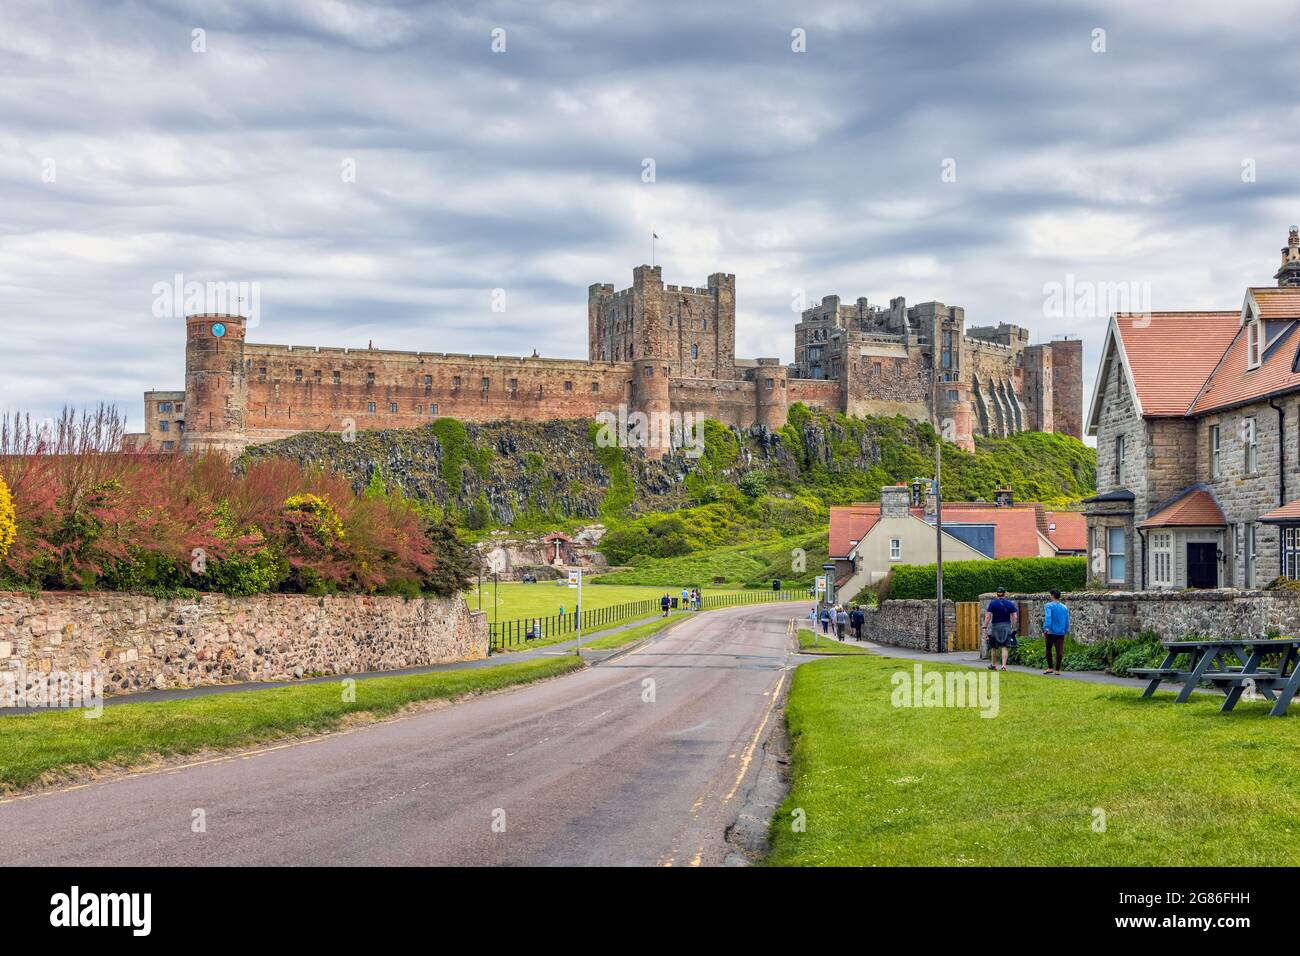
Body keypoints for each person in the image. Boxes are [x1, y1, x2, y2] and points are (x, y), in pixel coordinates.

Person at [983, 587, 1019, 670]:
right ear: (1005, 594)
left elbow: (988, 616)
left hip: (995, 626)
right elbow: (1015, 617)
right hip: (1006, 626)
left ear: (997, 594)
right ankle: (1003, 665)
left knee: (994, 646)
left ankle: (994, 665)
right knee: (1005, 646)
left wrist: (985, 626)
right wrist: (1013, 627)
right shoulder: (1010, 604)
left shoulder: (992, 604)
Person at [1042, 589, 1070, 675]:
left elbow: (1048, 617)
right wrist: (1065, 629)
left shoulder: (1049, 606)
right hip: (1061, 632)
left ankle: (1050, 667)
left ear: (1053, 596)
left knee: (1048, 648)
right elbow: (1067, 620)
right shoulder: (1064, 607)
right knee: (1059, 650)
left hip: (1050, 631)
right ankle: (1057, 670)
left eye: (1050, 595)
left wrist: (1046, 627)